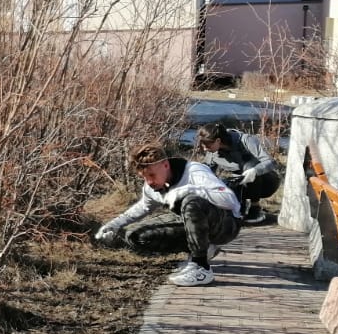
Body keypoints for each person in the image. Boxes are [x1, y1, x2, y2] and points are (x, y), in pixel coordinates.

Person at [94, 141, 242, 287]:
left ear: (165, 165)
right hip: (195, 224)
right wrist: (113, 225)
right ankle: (205, 248)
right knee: (136, 235)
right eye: (144, 177)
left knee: (191, 201)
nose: (149, 182)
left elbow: (231, 201)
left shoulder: (194, 172)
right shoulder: (151, 186)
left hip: (227, 225)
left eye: (152, 175)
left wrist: (190, 190)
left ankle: (201, 267)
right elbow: (143, 207)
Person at [195, 121, 280, 225]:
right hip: (240, 184)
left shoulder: (246, 140)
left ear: (218, 141)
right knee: (224, 184)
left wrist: (255, 171)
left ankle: (255, 209)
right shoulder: (212, 152)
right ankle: (240, 208)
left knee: (249, 167)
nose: (205, 149)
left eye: (207, 146)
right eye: (203, 146)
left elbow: (271, 162)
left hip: (267, 182)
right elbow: (207, 172)